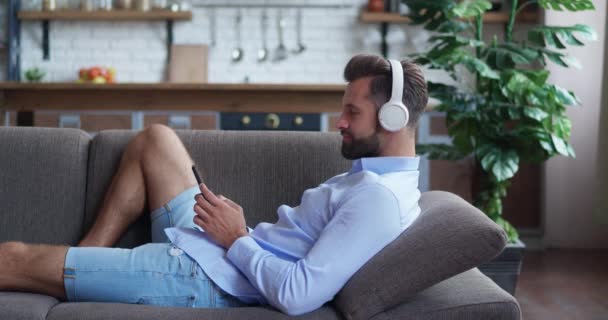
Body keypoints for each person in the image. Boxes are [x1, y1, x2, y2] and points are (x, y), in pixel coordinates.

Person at [0, 54, 428, 316]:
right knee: (156, 141)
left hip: (205, 278)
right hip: (218, 251)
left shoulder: (378, 199)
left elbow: (299, 296)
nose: (340, 123)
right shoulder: (379, 181)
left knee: (15, 258)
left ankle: (84, 270)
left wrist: (236, 237)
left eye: (352, 112)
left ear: (394, 119)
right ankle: (90, 262)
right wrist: (231, 235)